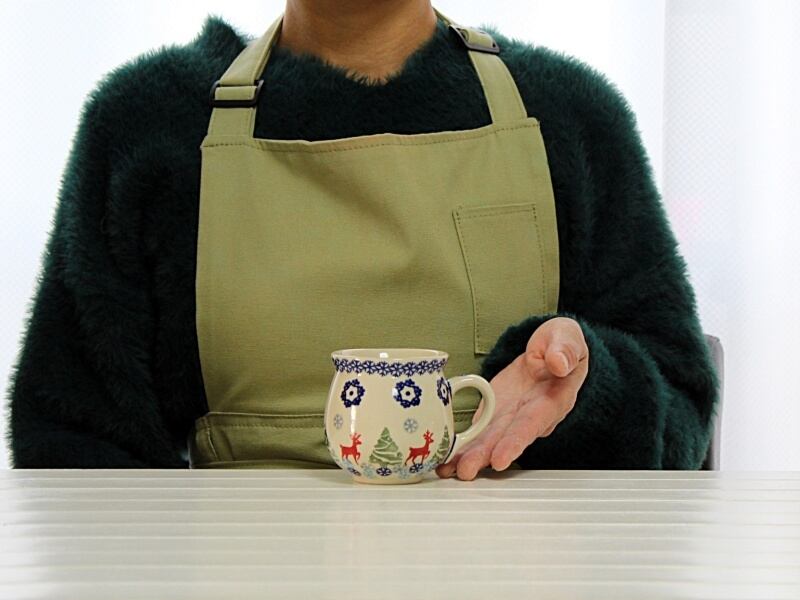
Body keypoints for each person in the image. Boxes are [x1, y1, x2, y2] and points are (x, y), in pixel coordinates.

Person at [6, 0, 719, 480]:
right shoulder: (146, 128)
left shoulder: (570, 119)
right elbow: (71, 446)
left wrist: (588, 383)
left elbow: (683, 413)